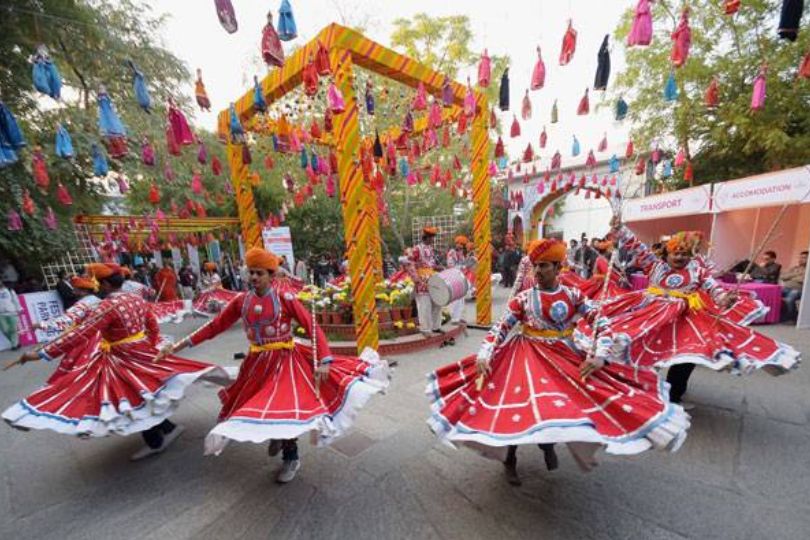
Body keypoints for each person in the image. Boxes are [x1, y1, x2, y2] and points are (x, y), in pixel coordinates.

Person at [427, 238, 689, 486]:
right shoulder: (523, 299)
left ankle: (547, 445)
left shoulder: (574, 296)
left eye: (543, 266)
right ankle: (510, 458)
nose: (537, 271)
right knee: (519, 411)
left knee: (559, 408)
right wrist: (485, 353)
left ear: (558, 267)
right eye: (534, 266)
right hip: (527, 357)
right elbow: (500, 328)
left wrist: (599, 356)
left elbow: (602, 324)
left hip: (565, 357)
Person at [158, 247, 388, 483]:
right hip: (256, 364)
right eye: (251, 273)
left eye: (259, 273)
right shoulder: (241, 301)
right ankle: (277, 435)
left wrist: (325, 360)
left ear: (271, 275)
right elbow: (214, 326)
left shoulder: (285, 299)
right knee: (259, 405)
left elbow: (312, 326)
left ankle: (291, 457)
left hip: (285, 362)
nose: (254, 278)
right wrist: (179, 345)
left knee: (283, 404)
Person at [3, 263, 227, 461]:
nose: (95, 286)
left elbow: (80, 334)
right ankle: (166, 429)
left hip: (122, 357)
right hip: (140, 352)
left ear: (104, 284)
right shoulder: (135, 300)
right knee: (145, 392)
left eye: (96, 282)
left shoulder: (107, 306)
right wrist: (152, 345)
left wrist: (41, 353)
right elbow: (152, 325)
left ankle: (156, 441)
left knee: (129, 397)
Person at [576, 223, 800, 409]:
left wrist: (724, 299)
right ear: (668, 253)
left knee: (687, 357)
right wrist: (620, 229)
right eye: (675, 253)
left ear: (690, 255)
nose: (680, 257)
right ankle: (634, 387)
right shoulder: (655, 266)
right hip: (650, 313)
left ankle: (673, 395)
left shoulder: (697, 271)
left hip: (684, 317)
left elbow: (714, 290)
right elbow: (637, 247)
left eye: (684, 253)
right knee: (634, 347)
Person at [409, 226, 443, 335]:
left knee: (437, 303)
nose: (432, 240)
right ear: (426, 238)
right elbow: (409, 264)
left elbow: (431, 265)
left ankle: (436, 327)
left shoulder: (431, 249)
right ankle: (425, 329)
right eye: (431, 238)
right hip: (422, 281)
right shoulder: (416, 249)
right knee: (424, 306)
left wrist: (438, 267)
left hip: (433, 279)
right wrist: (416, 279)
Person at [446, 235, 470, 324]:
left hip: (460, 276)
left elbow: (463, 263)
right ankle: (454, 318)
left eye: (462, 245)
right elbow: (450, 265)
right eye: (460, 244)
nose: (461, 246)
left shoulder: (461, 253)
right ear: (456, 244)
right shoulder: (452, 253)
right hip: (453, 277)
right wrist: (462, 266)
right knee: (455, 299)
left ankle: (459, 317)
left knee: (461, 298)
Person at [780, 251, 807, 321]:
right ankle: (778, 315)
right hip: (786, 288)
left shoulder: (808, 270)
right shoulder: (794, 268)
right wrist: (796, 275)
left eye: (804, 258)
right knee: (774, 294)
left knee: (790, 298)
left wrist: (790, 277)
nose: (801, 259)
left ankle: (792, 317)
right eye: (800, 257)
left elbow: (803, 280)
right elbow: (783, 277)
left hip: (799, 290)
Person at [0, 281, 22, 350]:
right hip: (1, 314)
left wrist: (19, 309)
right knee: (5, 330)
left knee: (13, 329)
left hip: (12, 312)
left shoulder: (9, 290)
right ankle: (16, 343)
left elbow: (15, 300)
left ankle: (14, 345)